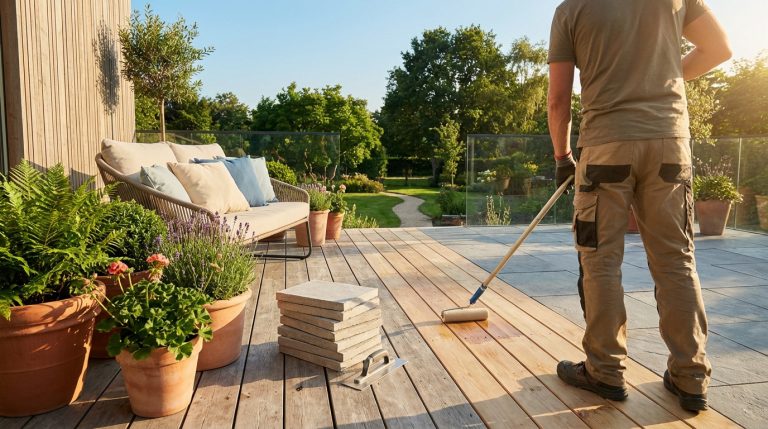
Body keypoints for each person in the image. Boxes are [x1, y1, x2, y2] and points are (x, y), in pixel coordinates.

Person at [547, 0, 732, 412]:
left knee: (600, 261)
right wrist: (662, 78)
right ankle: (691, 378)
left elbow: (559, 100)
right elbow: (718, 49)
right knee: (676, 260)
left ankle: (605, 372)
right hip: (668, 143)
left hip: (605, 147)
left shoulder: (572, 10)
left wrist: (562, 158)